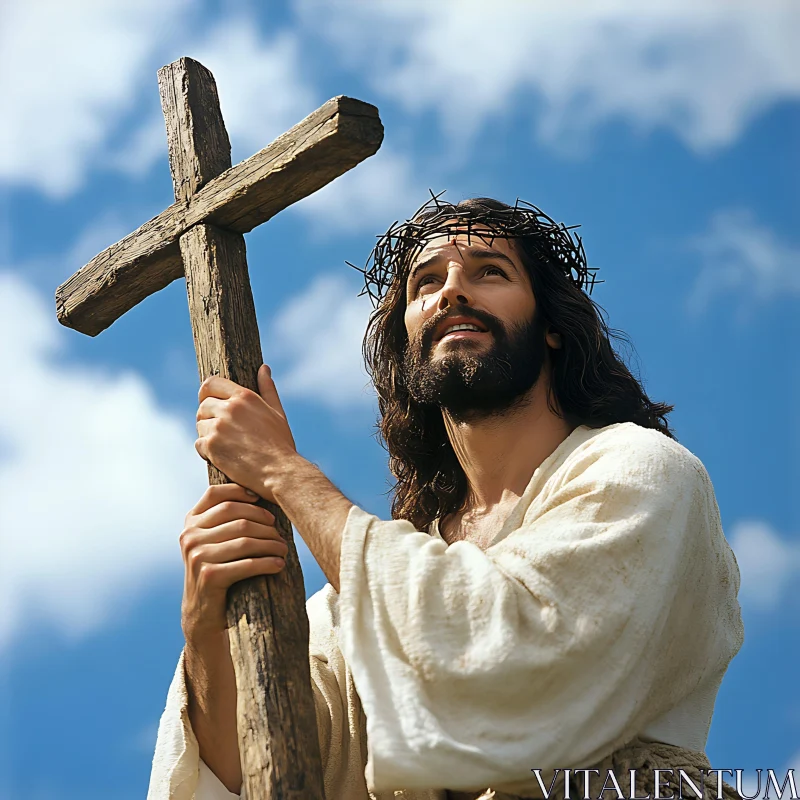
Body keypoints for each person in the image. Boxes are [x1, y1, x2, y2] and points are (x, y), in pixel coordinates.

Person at [147, 196, 744, 800]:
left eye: (490, 271)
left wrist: (285, 472)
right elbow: (260, 768)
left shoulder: (636, 471)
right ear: (407, 345)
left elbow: (510, 663)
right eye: (425, 282)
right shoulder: (357, 599)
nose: (451, 292)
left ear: (553, 326)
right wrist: (204, 626)